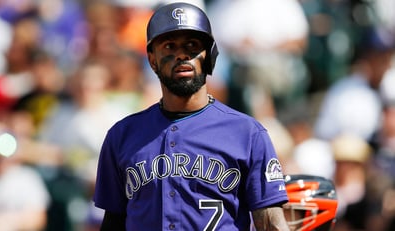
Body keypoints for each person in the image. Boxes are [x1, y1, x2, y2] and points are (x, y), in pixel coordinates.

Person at [93, 2, 290, 230]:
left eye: (192, 45)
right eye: (169, 46)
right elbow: (113, 222)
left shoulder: (247, 133)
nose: (182, 55)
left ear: (209, 56)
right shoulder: (122, 135)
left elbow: (269, 221)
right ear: (152, 59)